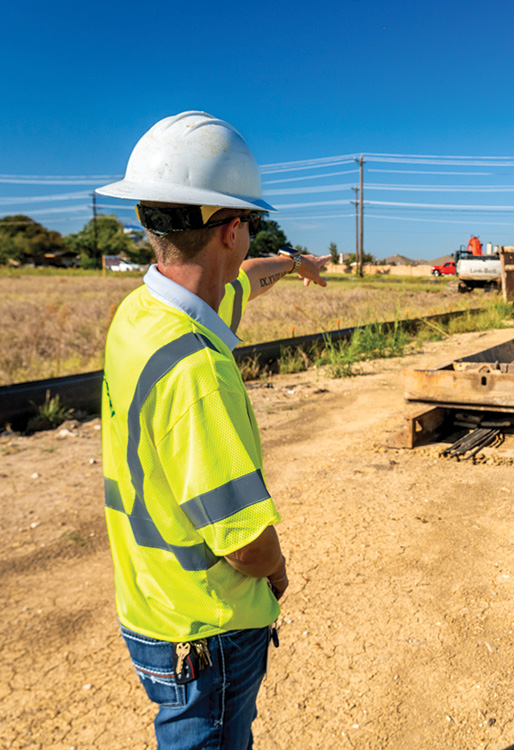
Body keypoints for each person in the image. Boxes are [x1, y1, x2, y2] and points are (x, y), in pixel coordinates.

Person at [96, 111, 309, 749]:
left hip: (152, 605)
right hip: (205, 626)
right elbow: (245, 542)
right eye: (248, 225)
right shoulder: (195, 370)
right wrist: (276, 573)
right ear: (233, 230)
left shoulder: (140, 316)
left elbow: (241, 284)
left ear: (147, 219)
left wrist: (295, 264)